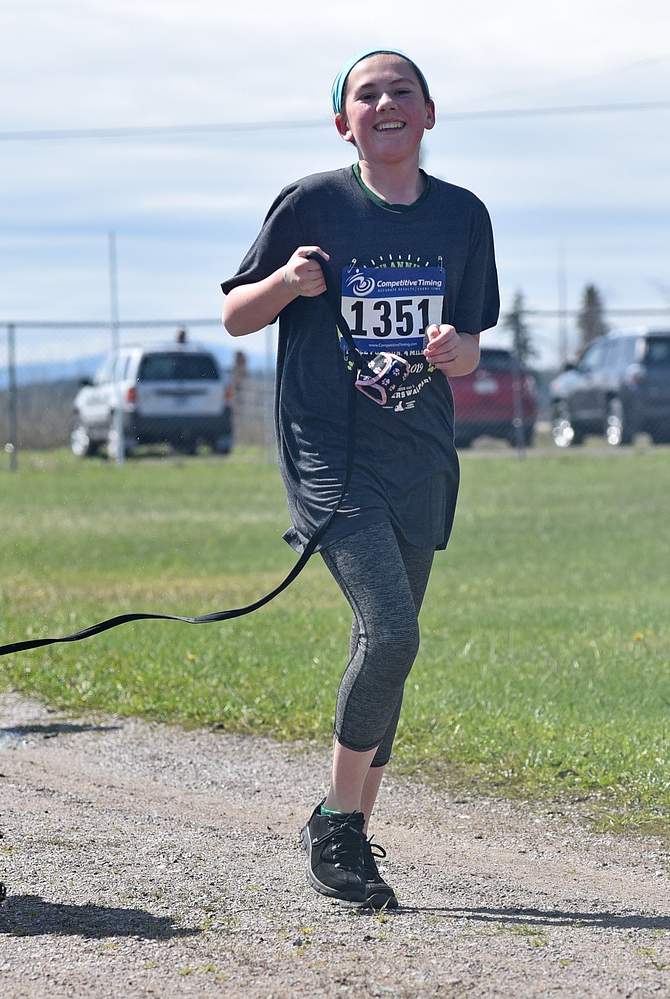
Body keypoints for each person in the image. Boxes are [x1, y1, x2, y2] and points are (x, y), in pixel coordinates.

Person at [221, 48, 499, 909]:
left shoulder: (461, 215)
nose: (384, 103)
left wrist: (460, 353)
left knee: (388, 649)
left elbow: (472, 343)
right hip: (328, 455)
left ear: (428, 113)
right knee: (393, 633)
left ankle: (356, 840)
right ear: (344, 121)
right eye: (365, 95)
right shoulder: (313, 203)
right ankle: (336, 822)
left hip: (418, 456)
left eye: (400, 92)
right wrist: (285, 281)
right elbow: (235, 314)